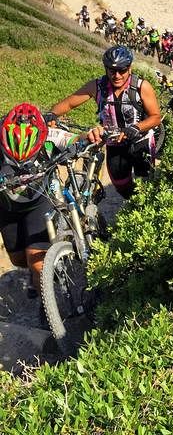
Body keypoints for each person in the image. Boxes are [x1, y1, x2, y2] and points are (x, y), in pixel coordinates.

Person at [49, 46, 161, 199]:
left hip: (141, 140)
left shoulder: (141, 86)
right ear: (106, 68)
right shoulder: (97, 86)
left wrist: (136, 127)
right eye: (111, 70)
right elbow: (69, 104)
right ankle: (133, 205)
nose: (117, 75)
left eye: (122, 70)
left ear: (129, 68)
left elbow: (155, 117)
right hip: (114, 143)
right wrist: (50, 115)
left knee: (147, 183)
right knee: (121, 185)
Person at [0, 104, 80, 300]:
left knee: (37, 263)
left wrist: (92, 136)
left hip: (39, 202)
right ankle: (33, 273)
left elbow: (77, 139)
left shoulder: (50, 135)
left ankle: (45, 305)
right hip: (6, 207)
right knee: (18, 260)